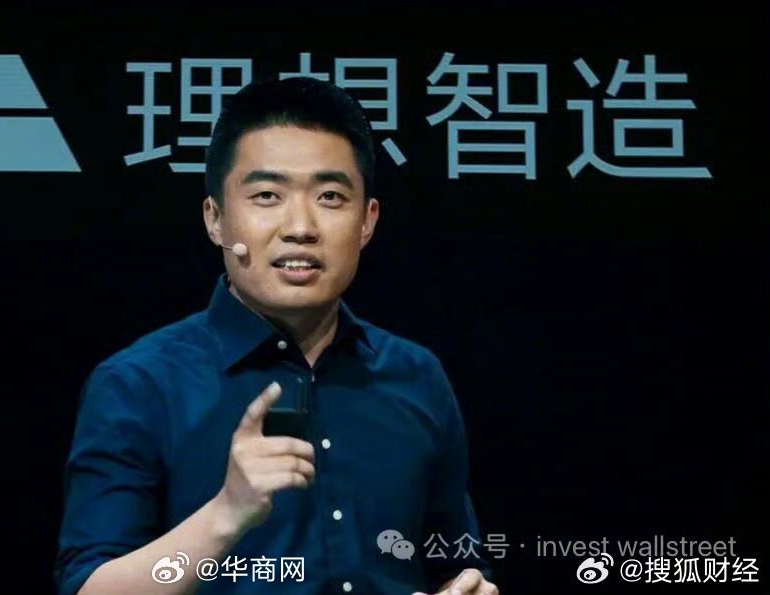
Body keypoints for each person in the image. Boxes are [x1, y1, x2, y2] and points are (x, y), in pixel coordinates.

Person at [54, 76, 497, 595]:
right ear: (215, 219)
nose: (300, 227)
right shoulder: (139, 383)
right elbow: (90, 588)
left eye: (330, 196)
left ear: (367, 221)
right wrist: (227, 513)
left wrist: (466, 587)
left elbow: (455, 560)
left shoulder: (415, 375)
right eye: (267, 195)